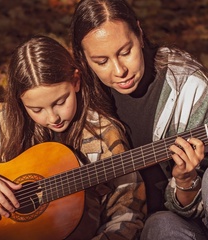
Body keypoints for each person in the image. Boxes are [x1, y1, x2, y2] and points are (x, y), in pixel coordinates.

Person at [0, 35, 146, 239]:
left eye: (60, 102)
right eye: (36, 109)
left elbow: (128, 212)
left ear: (76, 81)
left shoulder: (103, 135)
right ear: (20, 102)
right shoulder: (7, 122)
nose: (52, 117)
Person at [70, 0, 208, 239]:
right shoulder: (75, 95)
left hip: (187, 219)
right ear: (83, 59)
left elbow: (197, 205)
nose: (119, 70)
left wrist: (186, 179)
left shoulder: (188, 87)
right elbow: (6, 123)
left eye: (125, 52)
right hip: (118, 224)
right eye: (101, 62)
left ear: (140, 35)